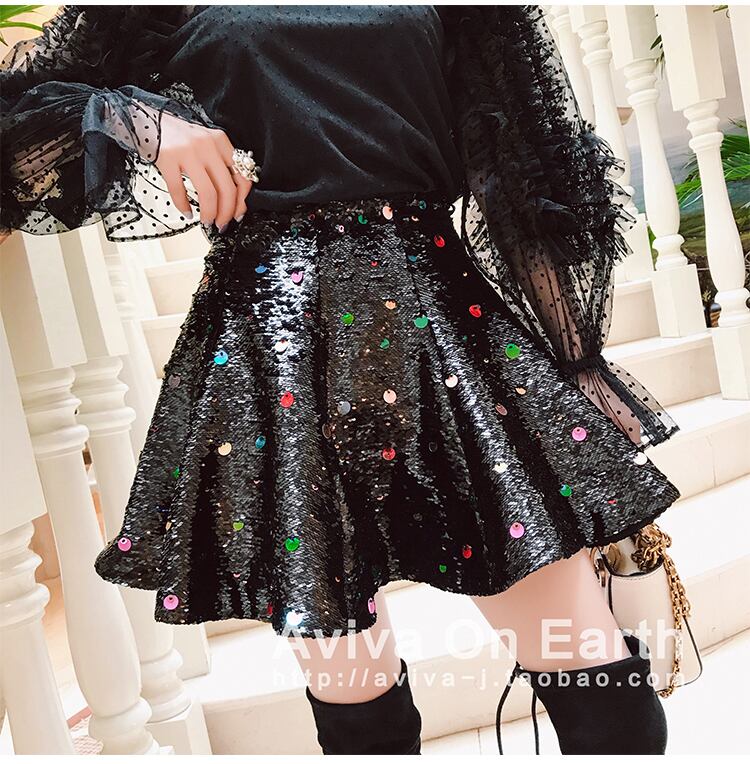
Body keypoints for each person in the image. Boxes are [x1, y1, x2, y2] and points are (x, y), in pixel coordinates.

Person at [1, 5, 679, 755]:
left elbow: (524, 169)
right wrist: (140, 119)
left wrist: (579, 361)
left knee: (597, 682)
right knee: (358, 708)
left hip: (441, 329)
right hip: (273, 355)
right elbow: (18, 131)